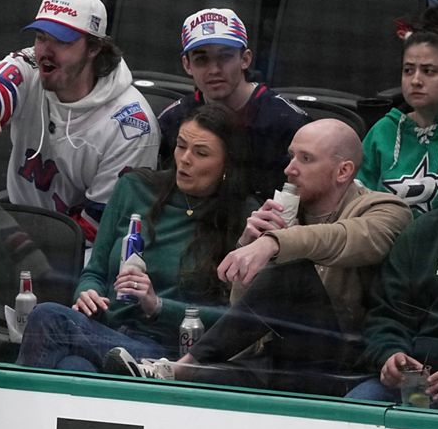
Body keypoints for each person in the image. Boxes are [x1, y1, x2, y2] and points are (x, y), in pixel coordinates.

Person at [112, 119, 413, 396]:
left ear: (343, 171)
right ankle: (171, 373)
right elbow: (243, 311)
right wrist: (249, 243)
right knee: (198, 386)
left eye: (305, 159)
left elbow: (346, 238)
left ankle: (183, 365)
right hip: (276, 358)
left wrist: (273, 244)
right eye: (291, 156)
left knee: (293, 271)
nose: (290, 169)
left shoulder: (386, 210)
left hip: (344, 361)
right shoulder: (285, 213)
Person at [16, 104, 248, 372]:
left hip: (168, 352)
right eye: (181, 146)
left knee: (48, 317)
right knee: (74, 366)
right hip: (104, 331)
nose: (184, 159)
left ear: (226, 165)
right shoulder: (135, 189)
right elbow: (95, 271)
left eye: (201, 153)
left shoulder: (241, 218)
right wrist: (87, 293)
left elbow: (236, 321)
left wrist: (158, 305)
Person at [0, 0, 159, 244]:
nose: (45, 52)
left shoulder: (131, 125)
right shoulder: (32, 61)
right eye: (41, 37)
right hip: (21, 227)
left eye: (62, 41)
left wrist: (29, 248)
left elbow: (100, 225)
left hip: (86, 254)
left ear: (94, 47)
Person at [345, 117, 438, 413]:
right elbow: (386, 316)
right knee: (356, 407)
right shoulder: (421, 235)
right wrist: (391, 356)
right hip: (419, 381)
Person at [156, 7, 310, 203]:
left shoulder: (288, 124)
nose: (214, 69)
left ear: (245, 59)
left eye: (225, 56)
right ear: (187, 65)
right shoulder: (173, 120)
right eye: (201, 59)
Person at [358, 9, 438, 216]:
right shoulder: (384, 130)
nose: (415, 80)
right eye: (408, 70)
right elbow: (357, 196)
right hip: (389, 240)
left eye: (428, 71)